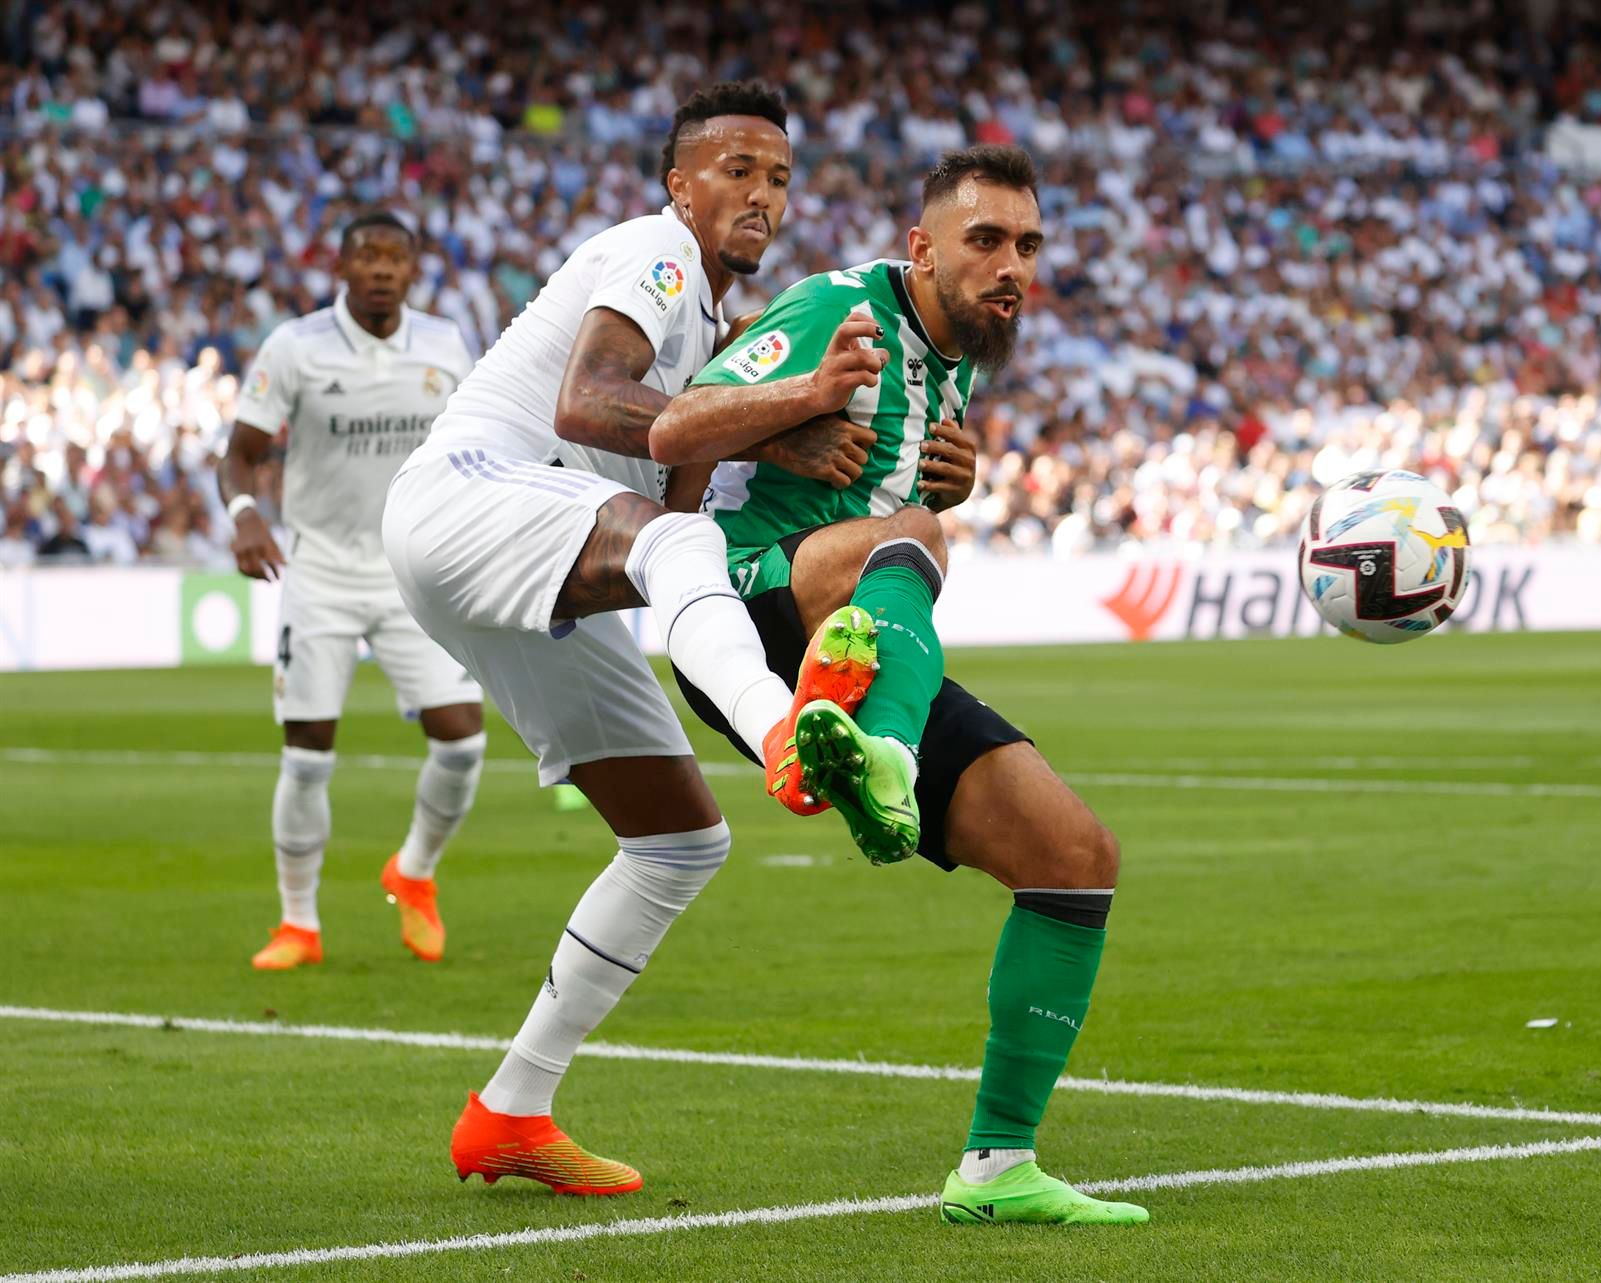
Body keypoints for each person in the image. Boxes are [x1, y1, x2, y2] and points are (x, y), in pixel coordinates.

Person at [381, 82, 881, 1196]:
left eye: (780, 178)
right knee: (669, 547)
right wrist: (796, 390)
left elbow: (679, 478)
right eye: (736, 170)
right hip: (473, 493)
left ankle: (508, 1110)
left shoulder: (714, 324)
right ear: (679, 186)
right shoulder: (656, 253)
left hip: (539, 548)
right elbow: (585, 401)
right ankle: (780, 730)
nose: (762, 196)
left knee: (679, 843)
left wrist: (785, 434)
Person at [648, 145, 1146, 1227]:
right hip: (746, 605)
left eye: (1027, 245)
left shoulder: (956, 356)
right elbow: (673, 423)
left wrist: (953, 478)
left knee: (1075, 855)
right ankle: (885, 755)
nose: (1011, 264)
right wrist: (795, 405)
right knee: (911, 535)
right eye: (985, 241)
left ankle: (998, 1165)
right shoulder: (842, 307)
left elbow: (885, 482)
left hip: (857, 640)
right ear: (922, 248)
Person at [224, 211, 486, 971]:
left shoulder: (444, 345)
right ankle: (298, 924)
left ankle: (414, 871)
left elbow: (475, 445)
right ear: (340, 267)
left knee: (463, 740)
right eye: (365, 256)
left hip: (412, 570)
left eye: (394, 257)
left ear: (413, 270)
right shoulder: (295, 347)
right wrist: (245, 515)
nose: (379, 268)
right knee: (307, 752)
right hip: (321, 573)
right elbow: (238, 455)